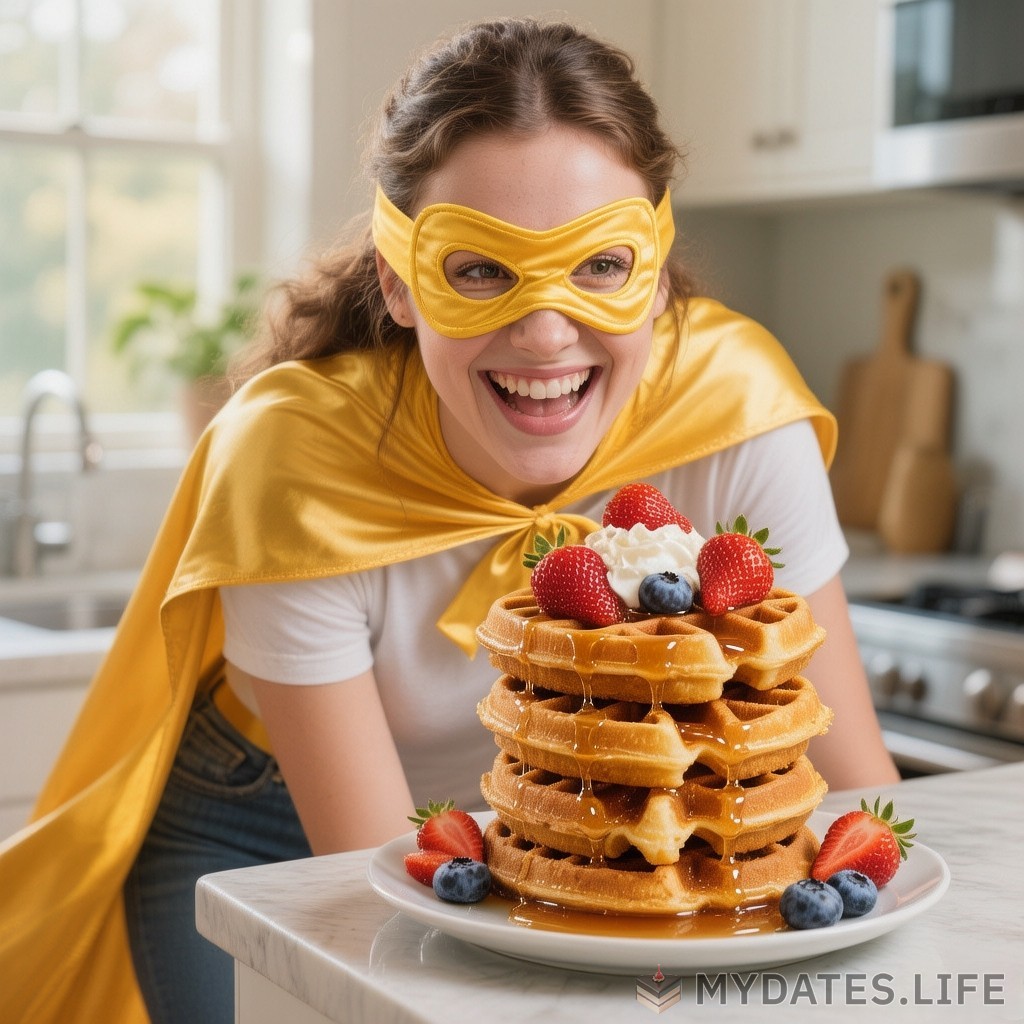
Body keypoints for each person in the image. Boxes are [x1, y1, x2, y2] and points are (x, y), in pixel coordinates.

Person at [0, 17, 899, 1024]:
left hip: (587, 841)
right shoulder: (297, 465)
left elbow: (852, 785)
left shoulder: (738, 411)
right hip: (268, 831)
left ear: (654, 265)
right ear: (398, 279)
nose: (546, 333)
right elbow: (402, 899)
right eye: (478, 271)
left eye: (599, 266)